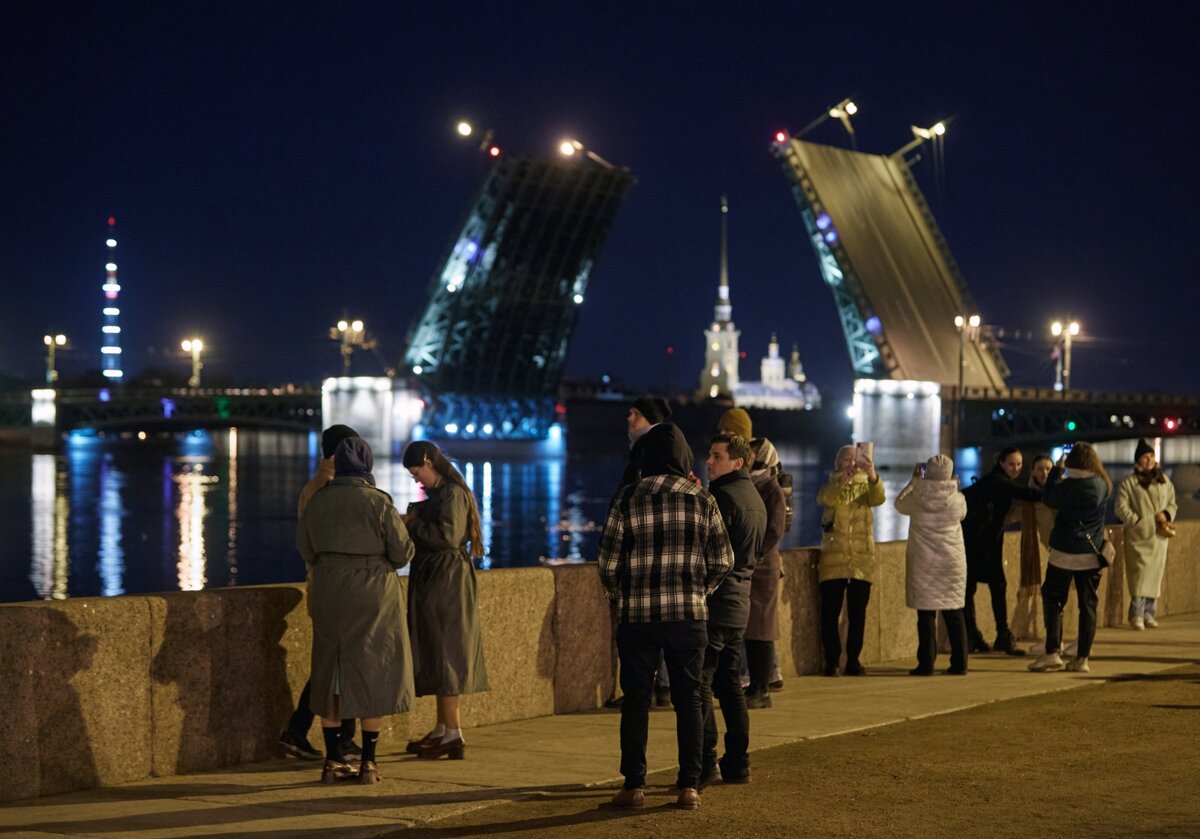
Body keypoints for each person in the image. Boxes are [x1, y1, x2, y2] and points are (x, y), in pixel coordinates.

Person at [598, 422, 733, 811]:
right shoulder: (702, 499)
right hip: (688, 615)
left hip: (638, 616)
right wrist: (699, 591)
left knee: (637, 699)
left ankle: (633, 784)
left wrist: (621, 596)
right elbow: (724, 560)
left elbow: (607, 563)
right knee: (689, 698)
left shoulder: (627, 498)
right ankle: (688, 785)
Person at [296, 437, 415, 784]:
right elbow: (402, 553)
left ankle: (332, 761)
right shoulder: (378, 502)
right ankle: (369, 763)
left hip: (330, 589)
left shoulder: (318, 501)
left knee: (330, 671)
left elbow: (305, 546)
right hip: (372, 591)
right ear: (367, 466)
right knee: (373, 668)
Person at [401, 440, 490, 760]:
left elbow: (446, 537)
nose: (416, 480)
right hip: (439, 577)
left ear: (428, 461)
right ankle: (442, 728)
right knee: (438, 651)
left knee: (446, 651)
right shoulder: (445, 493)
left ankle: (453, 733)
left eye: (416, 473)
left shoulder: (451, 494)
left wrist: (412, 523)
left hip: (445, 580)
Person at [279, 424, 362, 763]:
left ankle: (300, 732)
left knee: (335, 663)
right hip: (338, 586)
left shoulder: (314, 484)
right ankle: (337, 739)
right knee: (345, 664)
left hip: (322, 584)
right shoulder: (332, 487)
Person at [700, 433, 766, 787]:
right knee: (730, 688)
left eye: (716, 456)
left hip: (715, 603)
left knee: (699, 685)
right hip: (739, 604)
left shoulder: (722, 497)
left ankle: (705, 761)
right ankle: (738, 762)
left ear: (737, 462)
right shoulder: (754, 497)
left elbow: (708, 552)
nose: (709, 461)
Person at [718, 409, 786, 708]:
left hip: (762, 567)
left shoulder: (770, 487)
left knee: (761, 631)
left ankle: (761, 687)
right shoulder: (758, 485)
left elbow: (774, 530)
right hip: (752, 567)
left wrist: (752, 553)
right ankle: (756, 686)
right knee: (754, 630)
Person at [1028, 442, 1113, 674]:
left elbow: (1047, 498)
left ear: (1072, 462)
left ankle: (1053, 652)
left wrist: (1057, 469)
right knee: (1088, 605)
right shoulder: (1103, 485)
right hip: (1091, 554)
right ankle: (1082, 657)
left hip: (1063, 554)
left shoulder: (1066, 487)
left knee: (1054, 600)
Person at [960, 447, 1041, 655]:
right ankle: (991, 636)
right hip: (977, 543)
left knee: (978, 588)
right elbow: (1028, 495)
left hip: (983, 541)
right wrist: (1055, 480)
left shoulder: (996, 480)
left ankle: (976, 636)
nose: (1016, 468)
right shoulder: (998, 480)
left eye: (1020, 464)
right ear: (1002, 463)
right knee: (985, 587)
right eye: (1012, 464)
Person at [894, 454, 969, 675]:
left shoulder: (917, 496)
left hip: (924, 562)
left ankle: (926, 664)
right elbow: (963, 513)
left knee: (926, 615)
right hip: (951, 563)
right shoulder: (957, 499)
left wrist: (914, 481)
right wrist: (954, 484)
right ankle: (960, 664)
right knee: (954, 613)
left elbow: (899, 504)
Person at [816, 443, 885, 676]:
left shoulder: (867, 486)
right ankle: (832, 660)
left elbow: (880, 498)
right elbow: (826, 499)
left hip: (861, 561)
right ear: (838, 463)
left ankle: (854, 660)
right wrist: (843, 481)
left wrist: (873, 474)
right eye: (847, 460)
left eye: (856, 460)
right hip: (833, 560)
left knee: (858, 615)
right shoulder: (830, 486)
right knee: (830, 614)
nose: (852, 464)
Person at [1114, 439, 1178, 630]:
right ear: (1138, 461)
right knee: (1139, 577)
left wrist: (1166, 514)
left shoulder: (1164, 481)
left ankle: (1149, 613)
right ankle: (1136, 615)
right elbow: (1120, 507)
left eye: (1151, 456)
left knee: (1154, 577)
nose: (1149, 460)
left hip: (1158, 537)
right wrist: (1136, 521)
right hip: (1139, 536)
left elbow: (1172, 503)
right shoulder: (1129, 483)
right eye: (1145, 457)